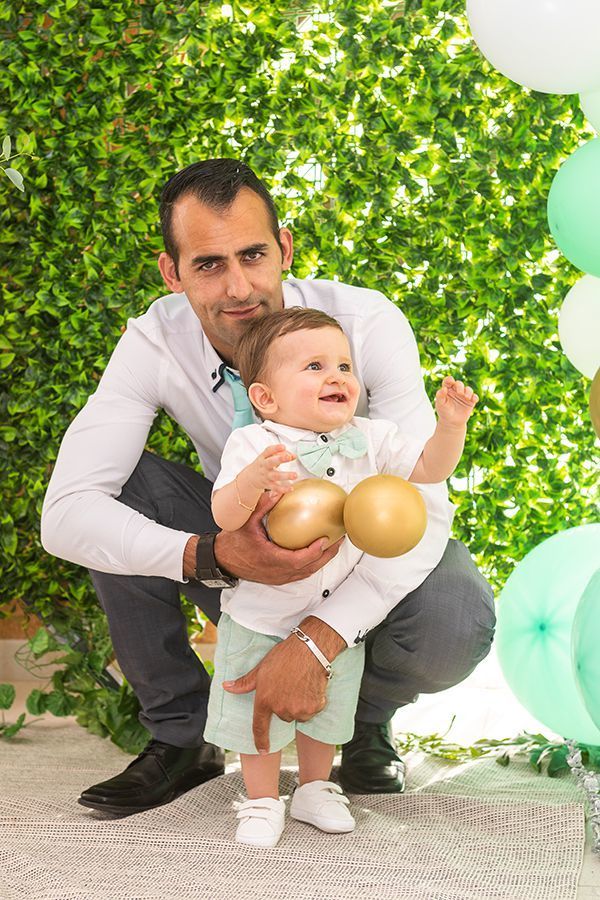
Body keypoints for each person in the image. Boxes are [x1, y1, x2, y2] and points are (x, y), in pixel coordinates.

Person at [40, 158, 495, 818]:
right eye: (208, 265)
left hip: (359, 548)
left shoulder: (365, 325)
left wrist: (318, 638)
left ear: (284, 247)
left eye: (254, 254)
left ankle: (357, 722)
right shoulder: (153, 342)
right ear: (172, 274)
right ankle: (181, 735)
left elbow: (421, 503)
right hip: (239, 549)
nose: (238, 286)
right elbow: (68, 515)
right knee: (121, 492)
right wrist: (211, 556)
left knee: (456, 619)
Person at [206, 305, 479, 847]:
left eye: (344, 366)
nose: (336, 376)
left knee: (326, 712)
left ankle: (314, 787)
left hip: (334, 611)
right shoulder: (256, 447)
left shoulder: (372, 438)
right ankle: (259, 797)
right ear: (264, 398)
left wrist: (451, 426)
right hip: (262, 613)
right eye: (313, 367)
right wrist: (251, 485)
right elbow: (224, 516)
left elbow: (428, 471)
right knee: (250, 713)